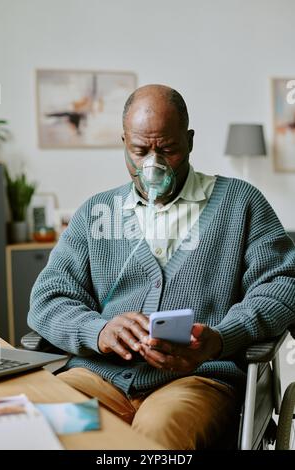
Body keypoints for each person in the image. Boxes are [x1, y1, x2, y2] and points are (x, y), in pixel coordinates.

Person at [28, 84, 295, 450]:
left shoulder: (241, 203)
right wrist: (98, 330)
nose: (152, 165)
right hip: (98, 379)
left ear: (189, 141)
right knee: (38, 431)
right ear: (124, 141)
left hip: (194, 381)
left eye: (167, 149)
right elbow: (48, 298)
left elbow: (282, 285)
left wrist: (220, 338)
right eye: (139, 151)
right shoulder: (95, 212)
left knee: (153, 443)